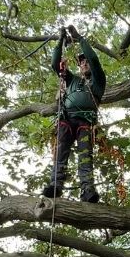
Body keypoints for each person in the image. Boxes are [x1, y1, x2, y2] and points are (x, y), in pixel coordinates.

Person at [41, 25, 106, 203]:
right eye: (81, 62)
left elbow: (93, 58)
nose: (84, 63)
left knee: (85, 155)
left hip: (85, 121)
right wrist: (60, 40)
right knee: (61, 151)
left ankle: (87, 189)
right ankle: (56, 184)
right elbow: (55, 65)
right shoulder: (72, 80)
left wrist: (79, 39)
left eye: (86, 62)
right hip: (67, 119)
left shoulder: (98, 81)